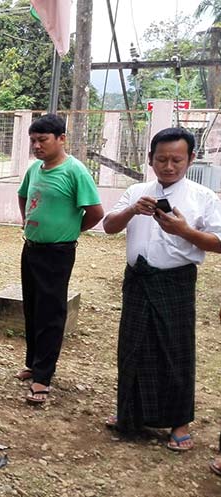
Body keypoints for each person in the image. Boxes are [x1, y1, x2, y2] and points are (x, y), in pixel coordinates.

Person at [102, 127, 221, 452]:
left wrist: (185, 231)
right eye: (162, 159)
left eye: (176, 160)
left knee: (175, 351)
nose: (169, 166)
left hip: (176, 282)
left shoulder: (203, 197)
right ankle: (130, 414)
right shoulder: (138, 191)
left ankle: (179, 422)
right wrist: (130, 210)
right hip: (138, 280)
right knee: (132, 349)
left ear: (191, 159)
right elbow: (109, 226)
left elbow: (219, 242)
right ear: (150, 159)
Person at [16, 114, 103, 404]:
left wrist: (69, 231)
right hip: (31, 248)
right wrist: (26, 220)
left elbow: (95, 212)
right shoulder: (35, 170)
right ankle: (33, 363)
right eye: (33, 141)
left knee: (51, 312)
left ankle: (43, 377)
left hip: (58, 252)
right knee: (32, 306)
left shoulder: (75, 171)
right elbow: (23, 196)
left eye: (43, 140)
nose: (37, 146)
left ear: (61, 139)